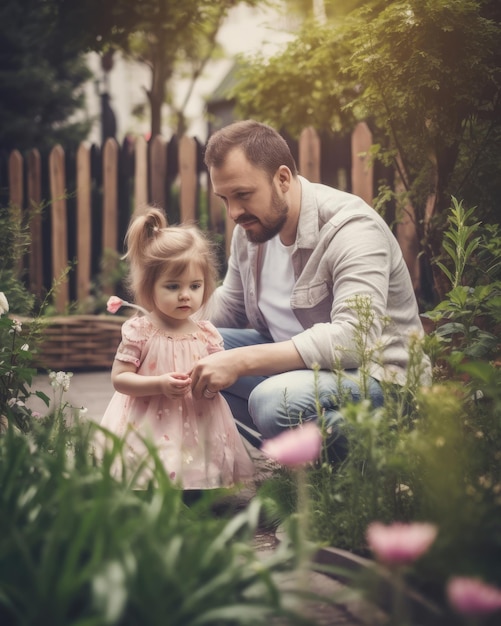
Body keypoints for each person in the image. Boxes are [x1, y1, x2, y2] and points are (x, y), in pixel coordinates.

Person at [190, 120, 431, 456]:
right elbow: (227, 308)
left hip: (376, 379)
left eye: (243, 195)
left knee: (273, 401)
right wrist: (157, 326)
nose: (233, 212)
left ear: (283, 178)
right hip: (299, 369)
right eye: (224, 198)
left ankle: (391, 454)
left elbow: (353, 340)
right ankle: (294, 461)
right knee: (188, 348)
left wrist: (242, 361)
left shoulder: (350, 228)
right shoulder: (252, 230)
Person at [100, 207, 254, 490]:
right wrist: (158, 383)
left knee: (198, 464)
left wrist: (212, 384)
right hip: (150, 418)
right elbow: (119, 379)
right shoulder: (141, 330)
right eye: (172, 286)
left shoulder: (206, 333)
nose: (186, 295)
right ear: (149, 286)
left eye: (195, 286)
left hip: (199, 417)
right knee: (153, 468)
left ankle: (197, 495)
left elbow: (217, 374)